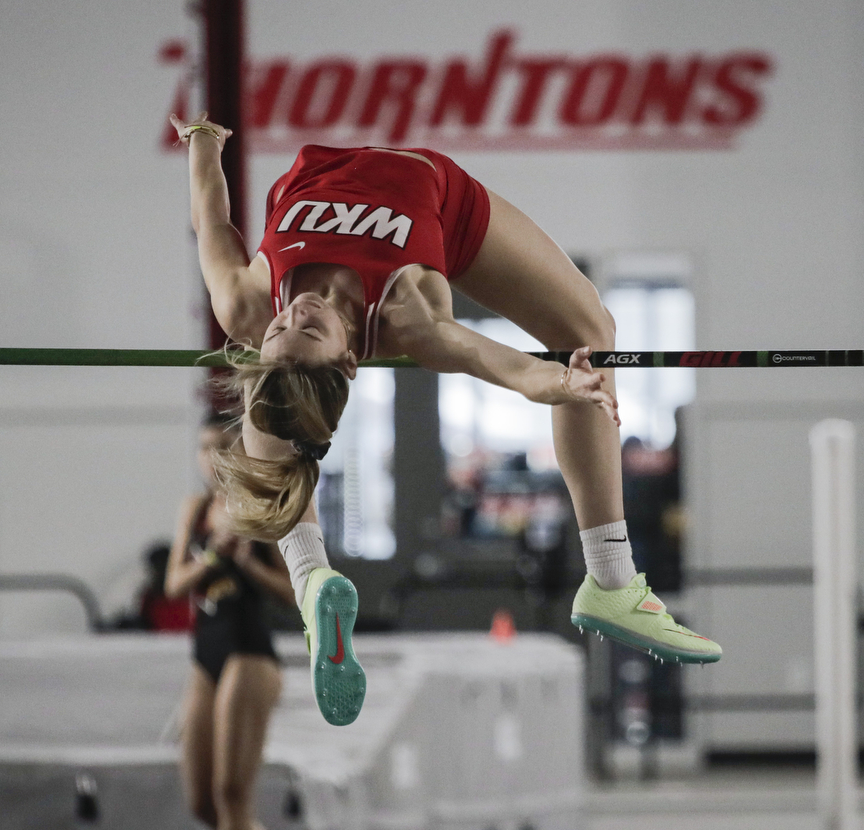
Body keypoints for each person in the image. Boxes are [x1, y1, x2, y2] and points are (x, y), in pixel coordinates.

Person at [171, 114, 722, 727]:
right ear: (352, 357)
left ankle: (308, 584)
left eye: (284, 326)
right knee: (590, 334)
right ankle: (612, 580)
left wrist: (202, 143)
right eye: (309, 328)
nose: (295, 311)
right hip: (437, 198)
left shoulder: (248, 304)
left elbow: (211, 222)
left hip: (318, 173)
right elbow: (495, 361)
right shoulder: (411, 315)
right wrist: (561, 379)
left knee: (272, 380)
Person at [165, 412, 294, 830]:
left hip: (248, 650)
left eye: (222, 447)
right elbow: (172, 585)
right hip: (206, 652)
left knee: (232, 794)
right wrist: (211, 559)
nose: (211, 458)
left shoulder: (260, 507)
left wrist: (246, 564)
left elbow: (295, 592)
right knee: (202, 802)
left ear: (241, 449)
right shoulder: (195, 508)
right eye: (204, 448)